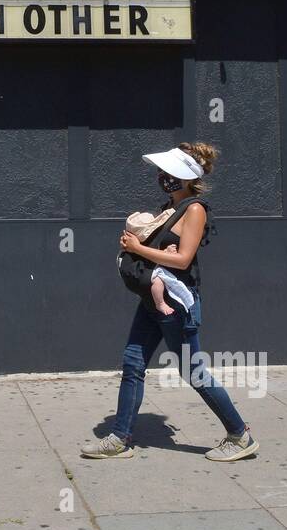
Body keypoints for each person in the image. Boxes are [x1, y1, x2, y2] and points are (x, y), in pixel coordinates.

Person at [81, 142, 259, 462]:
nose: (162, 176)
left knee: (194, 372)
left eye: (168, 172)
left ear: (185, 176)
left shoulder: (195, 210)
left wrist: (137, 248)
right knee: (133, 362)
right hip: (153, 298)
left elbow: (183, 259)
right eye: (162, 172)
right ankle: (120, 437)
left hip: (176, 304)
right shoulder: (170, 207)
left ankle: (239, 434)